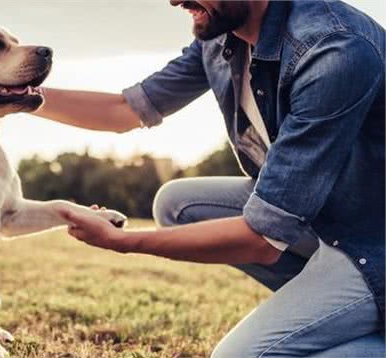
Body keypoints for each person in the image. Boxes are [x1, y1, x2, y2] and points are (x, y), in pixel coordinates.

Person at [33, 1, 385, 356]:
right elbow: (124, 111)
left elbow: (262, 238)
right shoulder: (222, 35)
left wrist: (123, 242)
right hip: (326, 218)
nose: (174, 1)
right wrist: (18, 95)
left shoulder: (333, 48)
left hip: (372, 243)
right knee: (177, 205)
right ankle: (339, 312)